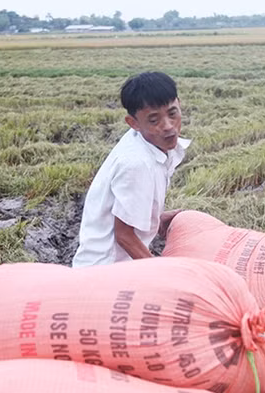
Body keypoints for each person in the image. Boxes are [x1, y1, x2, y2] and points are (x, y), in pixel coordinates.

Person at [72, 72, 190, 267]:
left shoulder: (151, 146)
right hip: (106, 270)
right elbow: (124, 235)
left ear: (179, 103)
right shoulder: (136, 164)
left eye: (172, 113)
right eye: (154, 120)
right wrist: (158, 271)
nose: (168, 126)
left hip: (120, 264)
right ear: (133, 123)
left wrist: (157, 220)